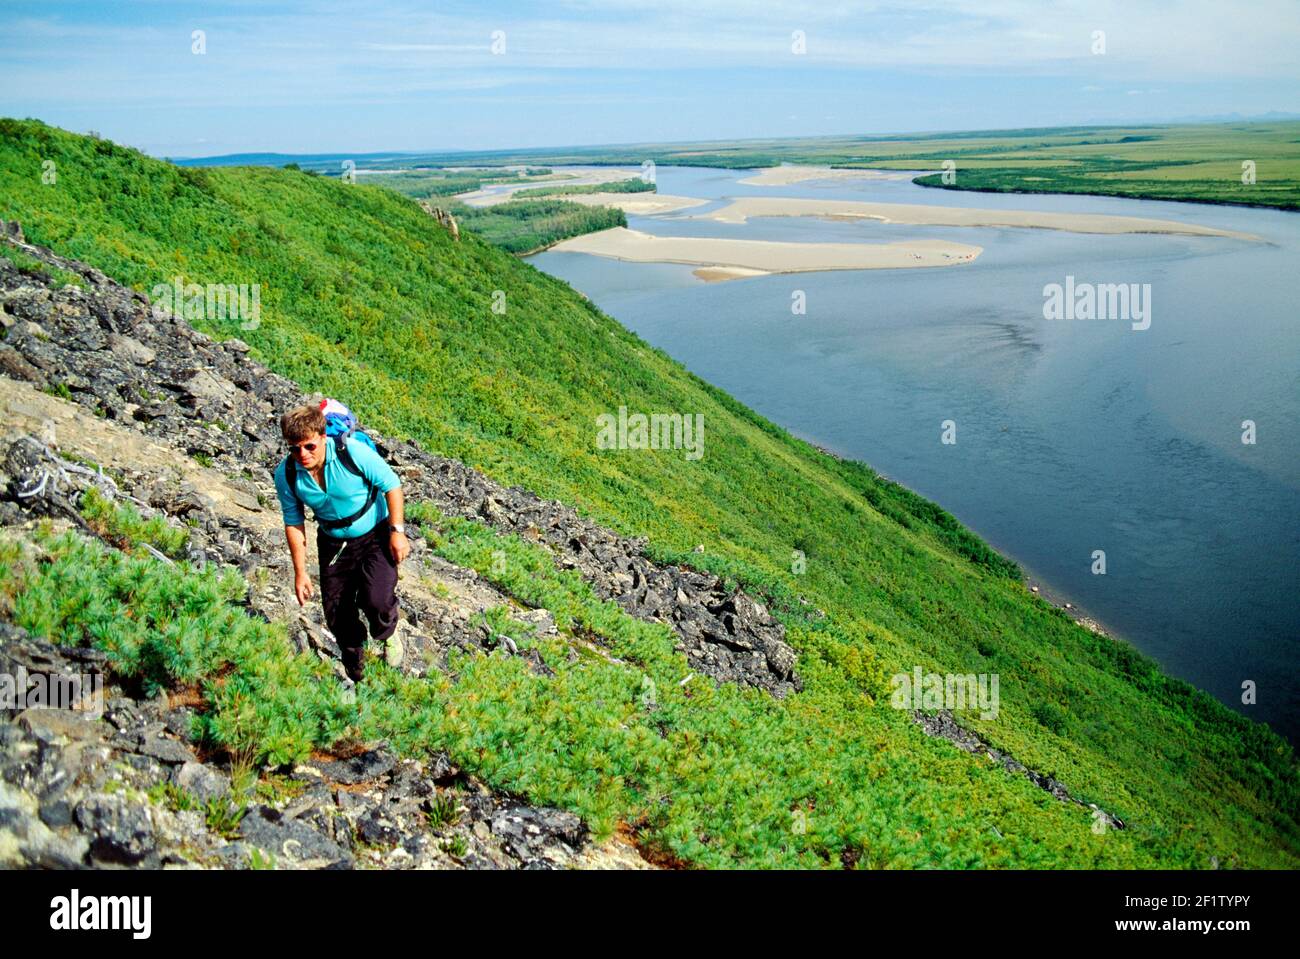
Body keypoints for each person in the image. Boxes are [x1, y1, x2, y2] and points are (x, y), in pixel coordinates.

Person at [273, 403, 410, 682]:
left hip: (374, 533)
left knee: (377, 598)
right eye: (294, 448)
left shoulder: (353, 454)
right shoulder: (287, 474)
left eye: (309, 446)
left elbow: (391, 485)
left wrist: (397, 531)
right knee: (336, 612)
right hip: (334, 543)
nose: (302, 454)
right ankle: (356, 669)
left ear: (323, 437)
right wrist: (300, 573)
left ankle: (389, 633)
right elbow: (294, 522)